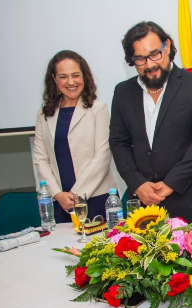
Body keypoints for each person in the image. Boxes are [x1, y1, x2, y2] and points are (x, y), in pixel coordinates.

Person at [109, 21, 192, 223]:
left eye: (154, 55)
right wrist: (137, 184)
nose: (150, 65)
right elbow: (118, 142)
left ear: (167, 46)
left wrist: (171, 182)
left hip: (187, 198)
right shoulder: (123, 92)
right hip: (142, 203)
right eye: (140, 59)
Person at [34, 50, 117, 223]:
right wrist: (58, 194)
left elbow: (102, 157)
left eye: (75, 75)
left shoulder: (98, 109)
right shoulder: (44, 114)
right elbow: (40, 159)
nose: (71, 82)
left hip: (95, 198)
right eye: (63, 76)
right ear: (54, 79)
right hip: (59, 202)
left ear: (84, 77)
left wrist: (76, 195)